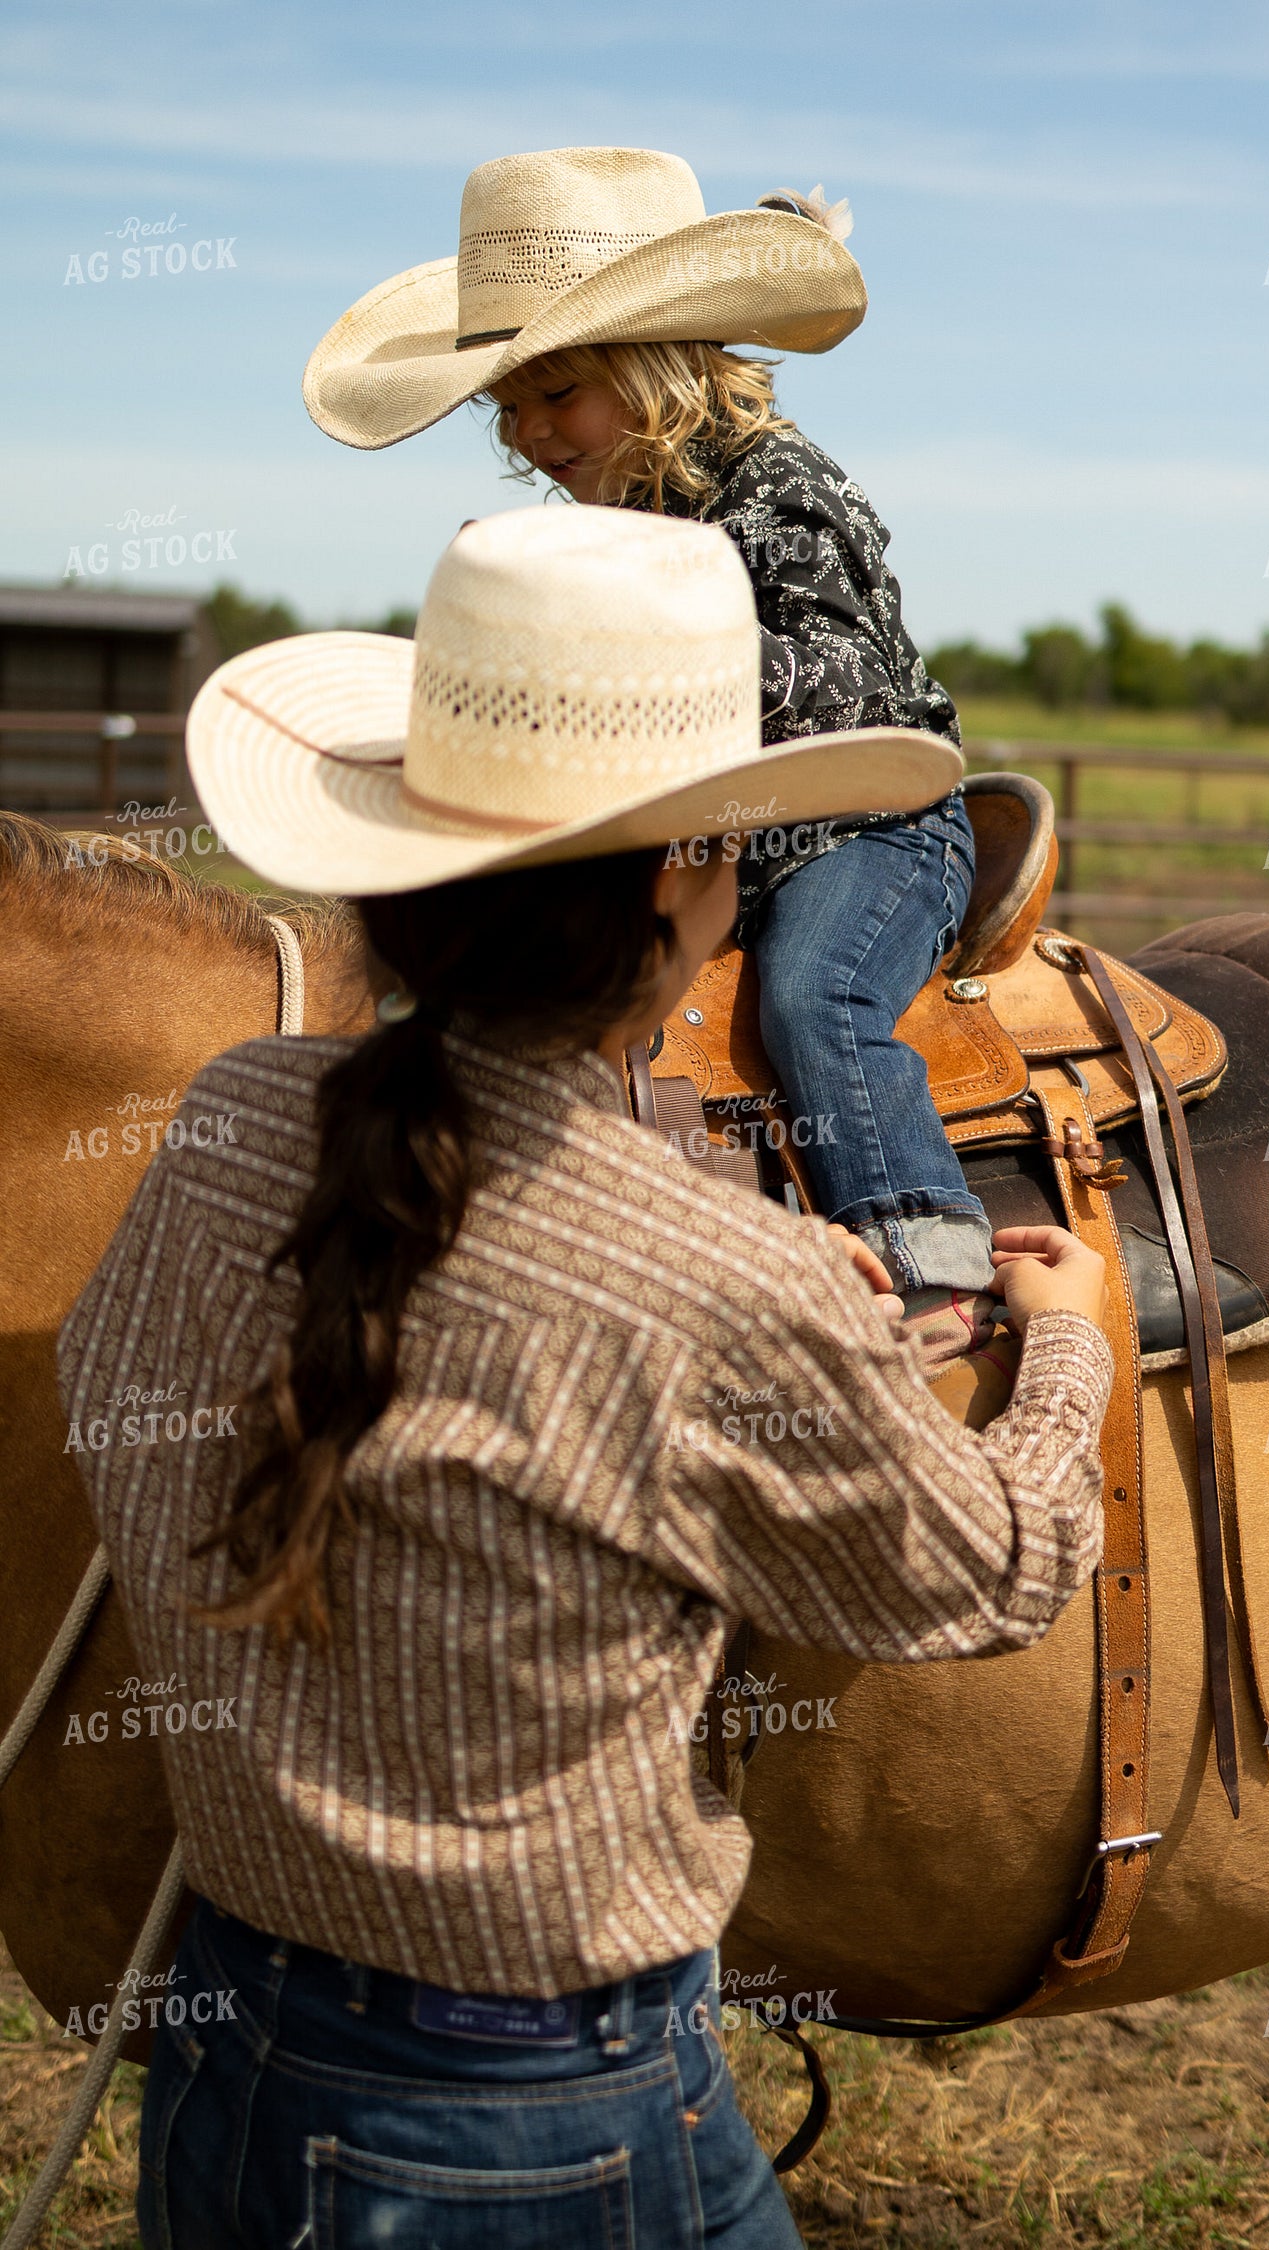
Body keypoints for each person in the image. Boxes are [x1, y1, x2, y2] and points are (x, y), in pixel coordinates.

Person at [59, 507, 1110, 2249]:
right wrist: (1066, 1335)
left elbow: (128, 1397)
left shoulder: (231, 1120)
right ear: (681, 885)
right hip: (539, 2116)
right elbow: (1000, 1566)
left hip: (234, 2043)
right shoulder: (723, 1279)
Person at [304, 144, 998, 1370]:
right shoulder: (623, 511)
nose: (529, 432)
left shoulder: (780, 486)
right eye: (508, 408)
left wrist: (623, 664)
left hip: (871, 824)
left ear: (660, 366)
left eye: (558, 394)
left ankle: (925, 1251)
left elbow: (838, 687)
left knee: (815, 996)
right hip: (719, 832)